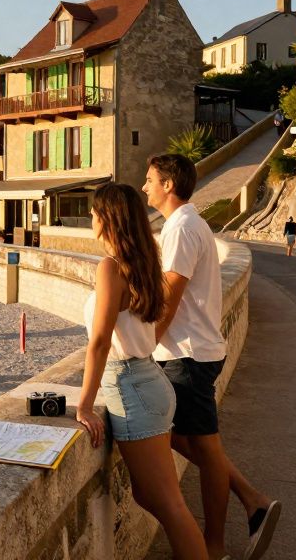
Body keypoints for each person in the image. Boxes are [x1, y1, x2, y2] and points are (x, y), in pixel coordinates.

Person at [144, 154, 281, 560]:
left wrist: (146, 343)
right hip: (191, 351)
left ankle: (214, 546)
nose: (144, 185)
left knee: (204, 450)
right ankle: (252, 501)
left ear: (169, 185)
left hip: (187, 354)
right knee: (180, 439)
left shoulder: (182, 228)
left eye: (150, 179)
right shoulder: (186, 225)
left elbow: (171, 295)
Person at [74, 182, 208, 560]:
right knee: (149, 495)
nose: (91, 217)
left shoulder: (110, 267)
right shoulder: (145, 261)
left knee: (170, 506)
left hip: (133, 387)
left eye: (95, 211)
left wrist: (84, 405)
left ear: (109, 218)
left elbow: (100, 342)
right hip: (148, 381)